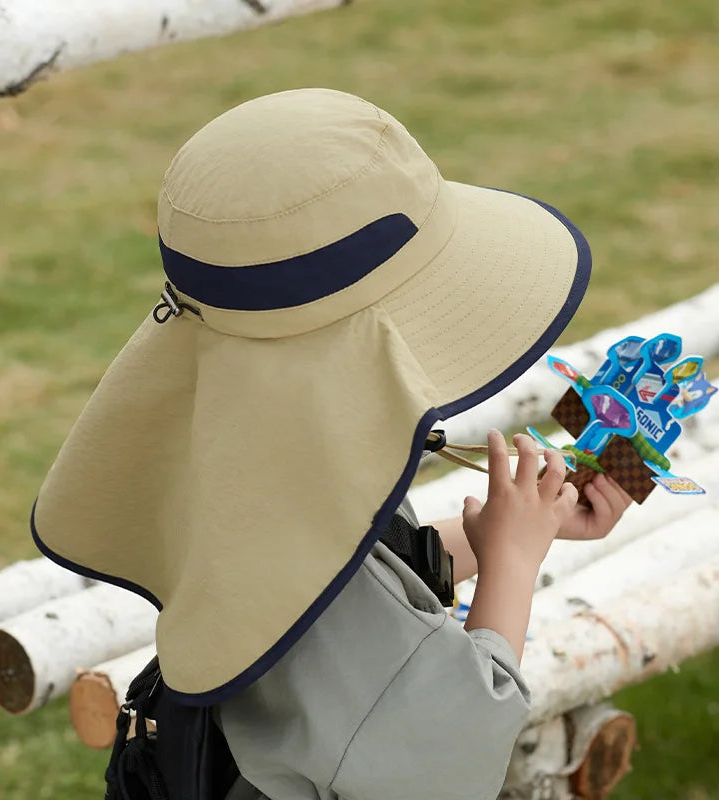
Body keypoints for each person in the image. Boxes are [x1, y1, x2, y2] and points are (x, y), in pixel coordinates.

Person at [32, 88, 631, 799]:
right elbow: (456, 742)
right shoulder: (298, 494)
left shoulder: (248, 449)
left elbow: (331, 561)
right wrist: (511, 563)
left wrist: (494, 537)